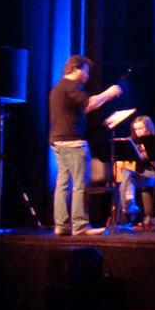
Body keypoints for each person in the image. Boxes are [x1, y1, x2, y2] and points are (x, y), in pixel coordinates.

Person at [49, 54, 124, 236]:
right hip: (73, 141)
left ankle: (62, 225)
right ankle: (80, 225)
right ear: (76, 69)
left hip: (58, 140)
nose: (88, 76)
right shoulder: (71, 86)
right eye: (86, 71)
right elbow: (88, 104)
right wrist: (109, 93)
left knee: (63, 184)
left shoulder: (57, 87)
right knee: (81, 184)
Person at [117, 115, 155, 227]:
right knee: (125, 174)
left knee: (127, 180)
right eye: (135, 129)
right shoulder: (133, 142)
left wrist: (152, 158)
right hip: (140, 174)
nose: (138, 132)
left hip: (154, 174)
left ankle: (127, 214)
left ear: (147, 128)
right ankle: (130, 205)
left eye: (140, 128)